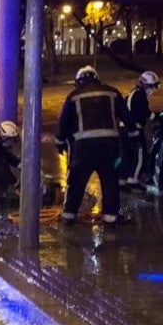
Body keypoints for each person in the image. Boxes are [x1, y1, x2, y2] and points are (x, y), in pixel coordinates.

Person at [57, 66, 132, 225]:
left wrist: (60, 142)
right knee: (110, 182)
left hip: (83, 149)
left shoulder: (73, 96)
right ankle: (110, 217)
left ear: (78, 81)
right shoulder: (112, 92)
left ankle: (69, 215)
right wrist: (133, 135)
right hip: (110, 148)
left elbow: (63, 122)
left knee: (76, 182)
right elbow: (126, 116)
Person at [122, 70, 160, 190]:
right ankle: (133, 180)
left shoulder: (131, 94)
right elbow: (143, 112)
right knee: (140, 154)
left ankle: (122, 180)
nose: (152, 91)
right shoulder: (140, 95)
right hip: (134, 129)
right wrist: (156, 117)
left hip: (123, 130)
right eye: (152, 87)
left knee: (126, 156)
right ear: (147, 85)